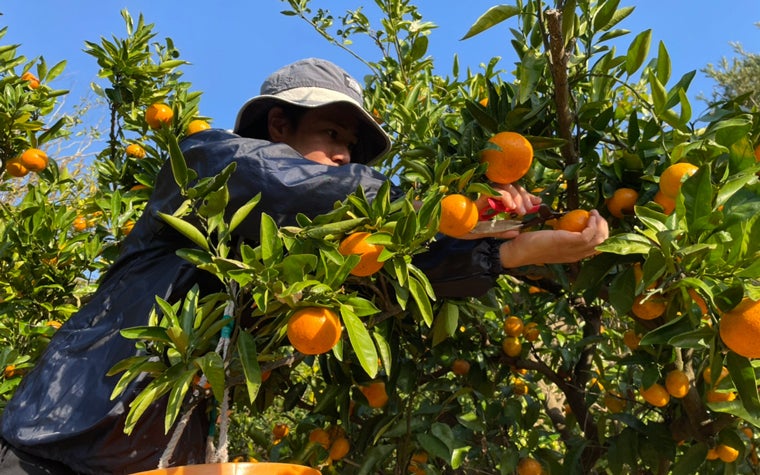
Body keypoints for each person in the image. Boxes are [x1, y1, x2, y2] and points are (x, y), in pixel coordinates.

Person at [0, 58, 608, 474]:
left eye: (353, 148)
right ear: (278, 123)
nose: (345, 156)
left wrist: (514, 249)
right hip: (55, 441)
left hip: (152, 463)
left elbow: (400, 267)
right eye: (332, 134)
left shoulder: (305, 253)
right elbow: (284, 182)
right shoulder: (208, 163)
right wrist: (435, 205)